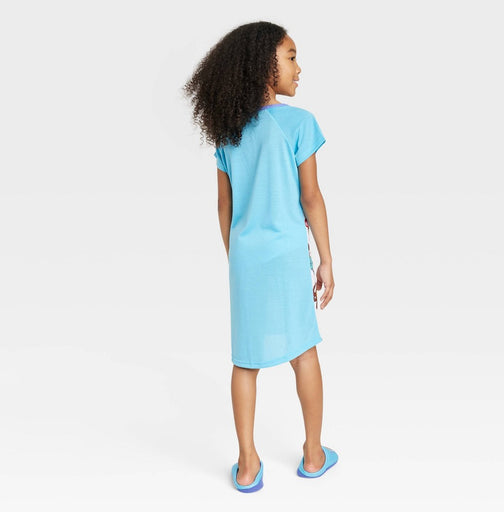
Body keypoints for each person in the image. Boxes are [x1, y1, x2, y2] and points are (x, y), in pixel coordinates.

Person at [182, 21, 338, 492]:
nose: (298, 68)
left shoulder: (228, 132)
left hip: (246, 259)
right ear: (264, 66)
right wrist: (326, 259)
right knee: (303, 352)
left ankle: (247, 464)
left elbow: (223, 205)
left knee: (245, 361)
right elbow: (311, 197)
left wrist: (237, 257)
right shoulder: (299, 123)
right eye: (290, 57)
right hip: (288, 255)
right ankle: (314, 454)